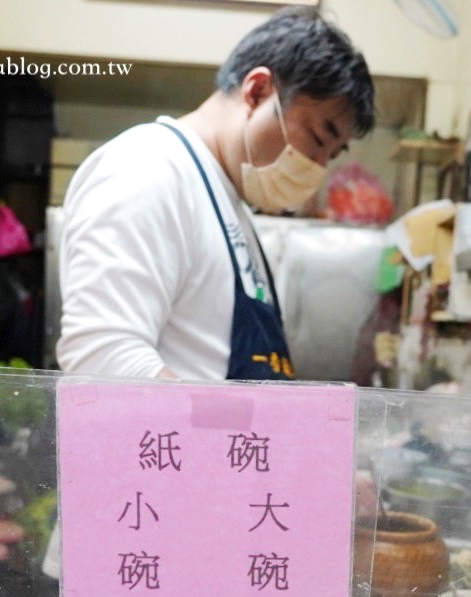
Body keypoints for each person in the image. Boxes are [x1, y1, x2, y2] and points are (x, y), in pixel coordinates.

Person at [55, 6, 375, 383]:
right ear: (257, 91)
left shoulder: (226, 200)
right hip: (174, 444)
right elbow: (105, 353)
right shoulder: (149, 167)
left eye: (331, 156)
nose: (317, 168)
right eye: (319, 139)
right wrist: (200, 444)